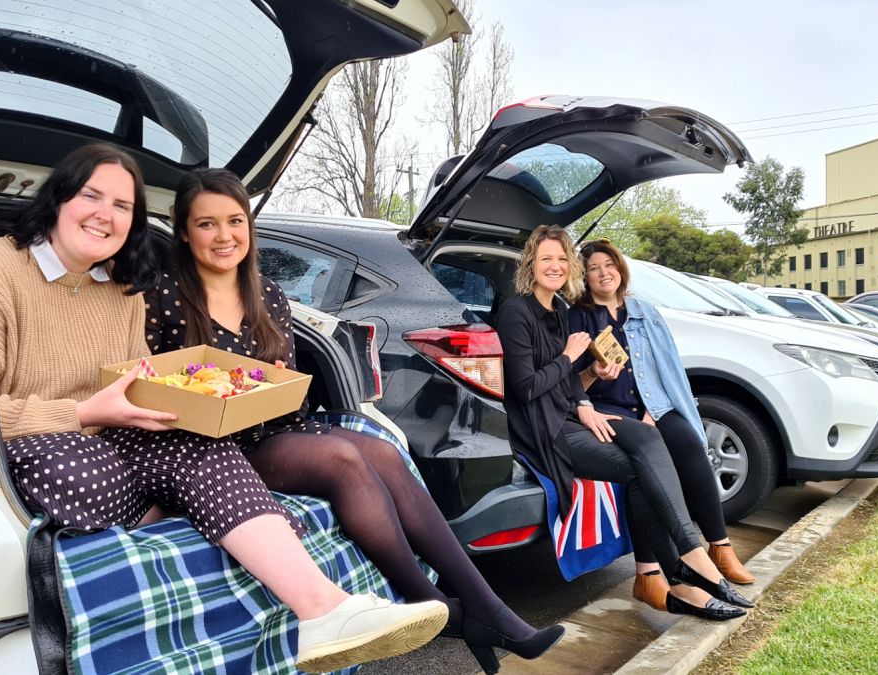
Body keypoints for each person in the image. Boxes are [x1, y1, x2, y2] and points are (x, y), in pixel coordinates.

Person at [0, 144, 446, 673]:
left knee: (194, 439)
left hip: (110, 429)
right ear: (57, 198)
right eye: (92, 195)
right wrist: (79, 415)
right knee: (81, 467)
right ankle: (184, 516)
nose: (106, 214)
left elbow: (141, 379)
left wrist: (189, 400)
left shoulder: (117, 288)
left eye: (123, 206)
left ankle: (322, 610)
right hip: (30, 442)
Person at [145, 168, 564, 674]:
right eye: (206, 224)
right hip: (208, 446)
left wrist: (277, 382)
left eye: (235, 221)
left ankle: (487, 609)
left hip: (268, 429)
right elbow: (152, 381)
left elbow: (290, 395)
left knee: (384, 452)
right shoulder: (163, 296)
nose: (223, 235)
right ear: (184, 231)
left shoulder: (269, 295)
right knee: (343, 456)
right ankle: (431, 602)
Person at [494, 225, 751, 622]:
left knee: (648, 442)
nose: (556, 266)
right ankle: (688, 564)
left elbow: (569, 382)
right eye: (547, 258)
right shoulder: (516, 312)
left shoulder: (559, 312)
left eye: (562, 259)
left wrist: (589, 386)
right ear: (531, 262)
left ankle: (668, 572)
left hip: (569, 416)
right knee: (638, 470)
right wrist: (568, 358)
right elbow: (526, 388)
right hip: (545, 431)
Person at [569, 239, 755, 609]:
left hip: (653, 403)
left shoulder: (644, 312)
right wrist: (594, 374)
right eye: (594, 268)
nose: (604, 272)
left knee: (687, 441)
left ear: (620, 268)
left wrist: (656, 411)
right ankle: (651, 571)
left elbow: (666, 367)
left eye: (609, 264)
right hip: (609, 409)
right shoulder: (579, 317)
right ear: (585, 277)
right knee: (646, 460)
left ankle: (719, 546)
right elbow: (572, 382)